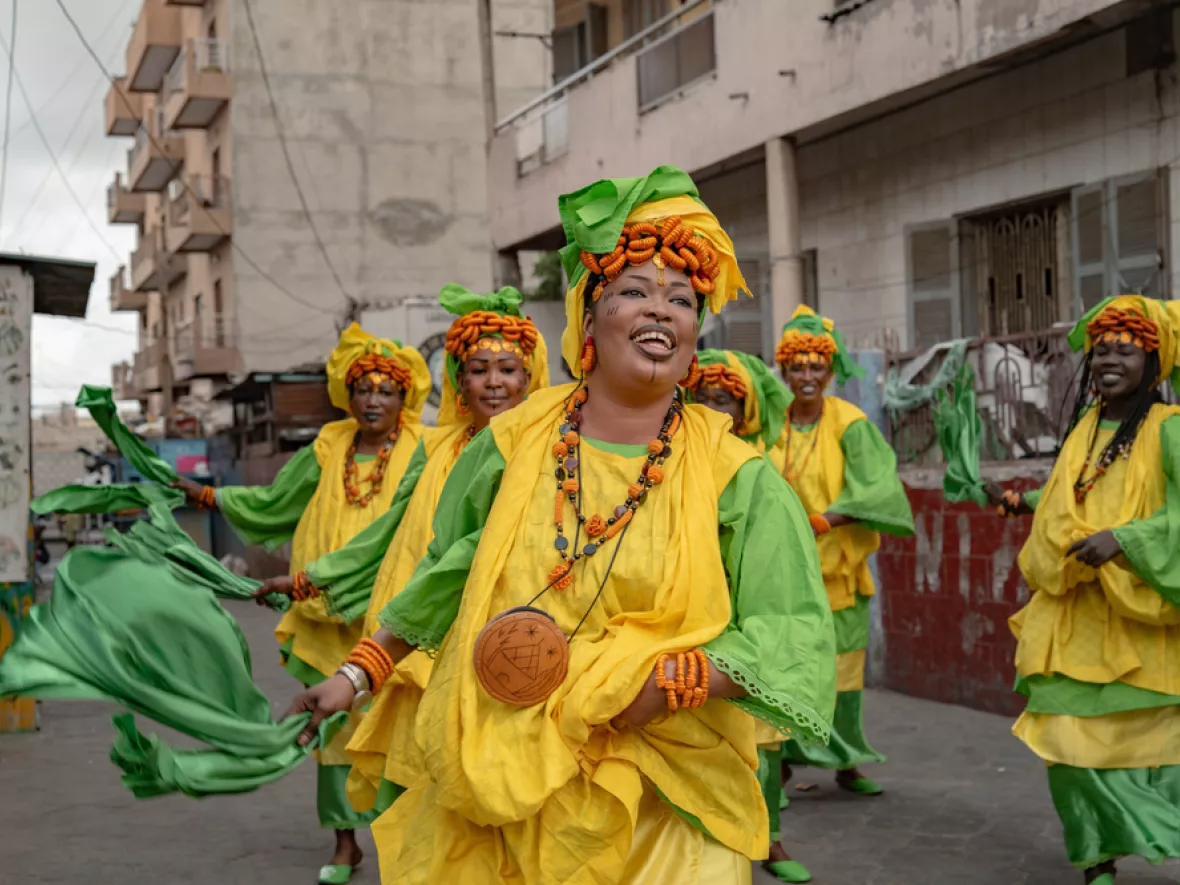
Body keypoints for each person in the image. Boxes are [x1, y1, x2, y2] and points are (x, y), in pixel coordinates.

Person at [284, 166, 836, 885]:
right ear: (589, 319)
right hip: (506, 769)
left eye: (681, 299)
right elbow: (450, 569)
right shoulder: (512, 442)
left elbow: (789, 628)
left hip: (664, 788)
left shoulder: (740, 475)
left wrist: (679, 678)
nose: (660, 310)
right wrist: (359, 671)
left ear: (695, 334)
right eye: (634, 290)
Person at [259, 283, 550, 818]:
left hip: (514, 643)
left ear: (529, 378)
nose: (493, 382)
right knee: (425, 792)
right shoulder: (433, 448)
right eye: (479, 367)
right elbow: (385, 534)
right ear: (458, 379)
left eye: (507, 369)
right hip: (423, 641)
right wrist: (312, 578)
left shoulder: (555, 449)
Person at [174, 324, 430, 885]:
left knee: (397, 729)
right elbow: (275, 501)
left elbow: (415, 524)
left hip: (390, 612)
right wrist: (209, 496)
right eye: (364, 388)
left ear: (403, 398)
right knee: (334, 727)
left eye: (387, 390)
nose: (374, 400)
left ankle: (401, 840)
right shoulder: (328, 446)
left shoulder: (424, 448)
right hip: (324, 614)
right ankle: (345, 843)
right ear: (349, 394)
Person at [983, 295, 1180, 885]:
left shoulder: (1169, 431)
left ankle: (1145, 838)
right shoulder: (1085, 428)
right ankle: (1096, 852)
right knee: (1065, 746)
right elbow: (1072, 498)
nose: (1109, 358)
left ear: (1153, 358)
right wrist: (1023, 503)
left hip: (1141, 626)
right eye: (1101, 348)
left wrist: (1125, 540)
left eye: (1126, 348)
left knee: (1153, 751)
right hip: (1072, 619)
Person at [769, 306, 914, 880]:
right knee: (789, 673)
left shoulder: (850, 421)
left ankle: (846, 761)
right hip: (782, 574)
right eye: (797, 365)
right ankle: (779, 766)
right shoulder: (770, 422)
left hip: (839, 573)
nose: (807, 375)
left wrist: (828, 519)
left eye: (817, 366)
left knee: (844, 677)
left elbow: (878, 490)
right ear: (783, 370)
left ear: (831, 372)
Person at [685, 347, 820, 883]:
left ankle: (770, 839)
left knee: (757, 747)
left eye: (726, 400)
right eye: (704, 397)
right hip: (689, 624)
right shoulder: (666, 457)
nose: (715, 409)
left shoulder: (753, 468)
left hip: (744, 628)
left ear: (746, 413)